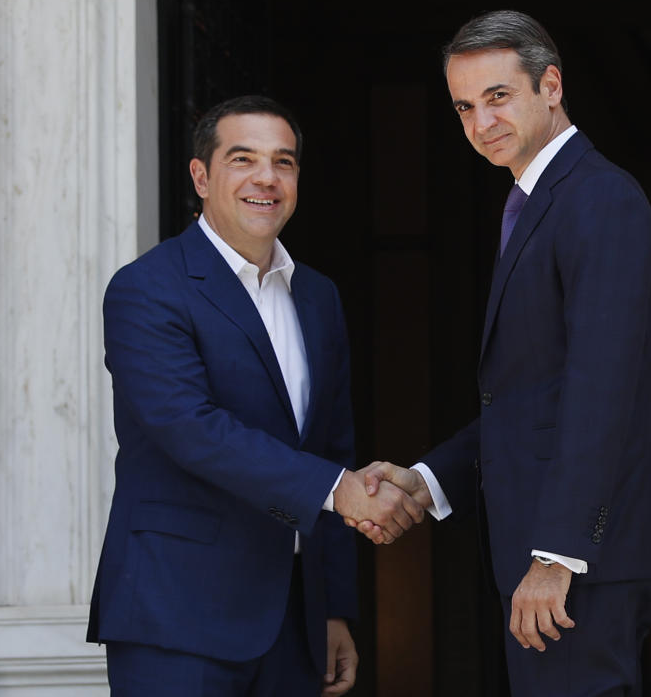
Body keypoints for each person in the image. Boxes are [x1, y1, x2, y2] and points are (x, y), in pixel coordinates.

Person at [356, 10, 651, 696]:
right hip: (552, 554)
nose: (480, 123)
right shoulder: (536, 204)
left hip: (578, 558)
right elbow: (530, 401)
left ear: (551, 85)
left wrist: (560, 552)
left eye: (497, 97)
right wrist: (428, 478)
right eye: (464, 107)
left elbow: (603, 389)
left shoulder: (598, 200)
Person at [86, 94, 425, 696]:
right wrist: (340, 491)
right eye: (243, 159)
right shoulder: (147, 288)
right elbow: (190, 427)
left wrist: (333, 608)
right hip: (177, 615)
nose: (266, 178)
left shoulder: (318, 297)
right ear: (201, 175)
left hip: (293, 623)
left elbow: (334, 445)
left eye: (284, 162)